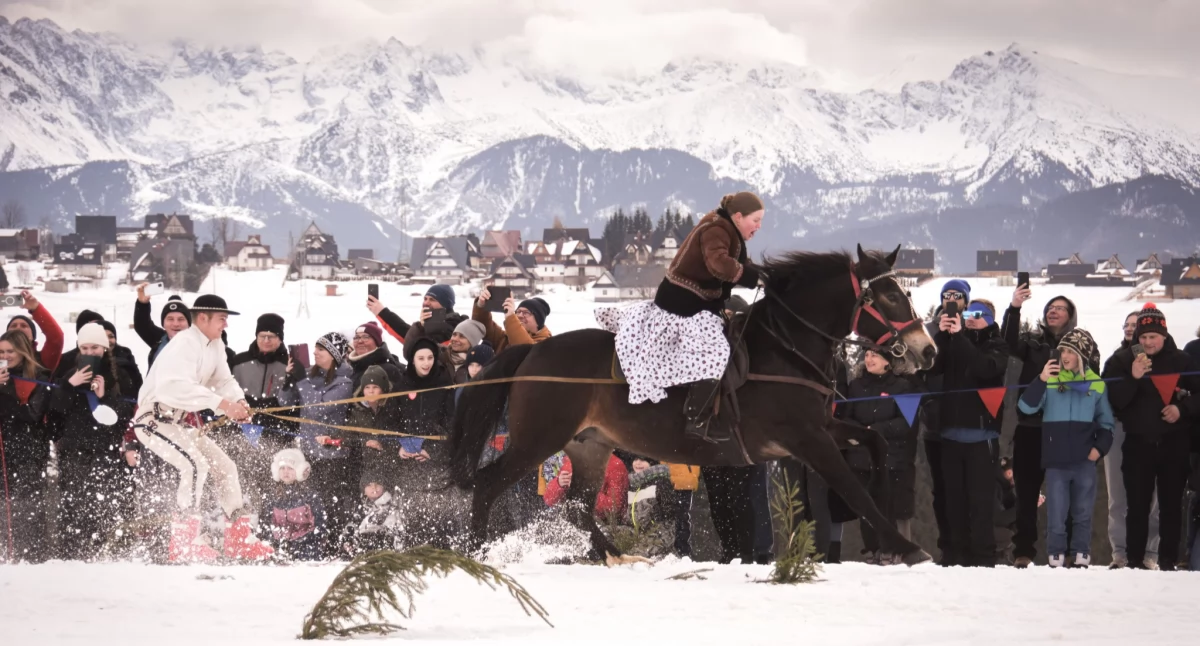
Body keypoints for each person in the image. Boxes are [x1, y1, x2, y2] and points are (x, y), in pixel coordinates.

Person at [595, 192, 764, 443]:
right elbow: (719, 263)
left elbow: (737, 262)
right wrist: (753, 277)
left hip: (696, 304)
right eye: (756, 220)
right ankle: (697, 419)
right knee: (715, 352)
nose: (758, 227)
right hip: (684, 306)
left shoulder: (728, 230)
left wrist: (762, 274)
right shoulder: (717, 229)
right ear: (738, 216)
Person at [130, 294, 273, 562]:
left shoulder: (215, 344)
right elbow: (174, 388)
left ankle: (238, 538)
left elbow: (224, 380)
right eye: (222, 319)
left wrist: (238, 402)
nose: (225, 324)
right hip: (153, 420)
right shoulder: (183, 344)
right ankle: (184, 541)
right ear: (203, 318)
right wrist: (224, 406)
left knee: (226, 467)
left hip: (179, 422)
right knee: (195, 466)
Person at [1101, 303, 1200, 571]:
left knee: (1169, 505)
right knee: (1137, 504)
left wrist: (1182, 409)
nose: (1147, 342)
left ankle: (1166, 560)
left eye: (1152, 337)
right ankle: (1133, 560)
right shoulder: (1122, 361)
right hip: (1137, 443)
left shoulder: (1182, 361)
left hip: (1174, 443)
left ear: (1164, 336)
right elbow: (1113, 400)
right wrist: (1133, 378)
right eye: (1142, 337)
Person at [1017, 328, 1112, 568]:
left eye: (1071, 351)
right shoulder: (1050, 380)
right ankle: (1055, 555)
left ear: (1082, 356)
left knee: (1082, 512)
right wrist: (1040, 380)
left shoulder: (1097, 385)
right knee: (1056, 514)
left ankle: (1081, 554)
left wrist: (1098, 450)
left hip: (1084, 461)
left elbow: (1106, 423)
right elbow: (1026, 407)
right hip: (1056, 461)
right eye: (1062, 351)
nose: (1065, 356)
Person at [1003, 281, 1082, 568]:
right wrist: (1014, 307)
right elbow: (1008, 342)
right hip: (1030, 428)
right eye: (1050, 308)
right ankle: (1023, 551)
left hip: (1065, 430)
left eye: (1060, 308)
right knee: (1026, 494)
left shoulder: (1082, 347)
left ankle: (1069, 550)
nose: (1053, 312)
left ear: (1071, 316)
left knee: (1068, 495)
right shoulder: (1032, 343)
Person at [928, 299, 1009, 567]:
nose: (971, 317)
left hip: (981, 437)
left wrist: (959, 336)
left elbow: (984, 368)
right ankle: (956, 556)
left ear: (990, 319)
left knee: (981, 502)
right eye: (968, 313)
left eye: (978, 314)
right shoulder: (952, 340)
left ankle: (984, 558)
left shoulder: (996, 344)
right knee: (954, 502)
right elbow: (933, 367)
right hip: (950, 435)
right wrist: (942, 335)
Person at [53, 323, 139, 561]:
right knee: (73, 503)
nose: (90, 352)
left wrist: (105, 397)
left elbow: (125, 415)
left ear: (104, 348)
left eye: (95, 347)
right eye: (85, 347)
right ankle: (70, 555)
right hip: (74, 447)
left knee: (103, 502)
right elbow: (56, 409)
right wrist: (69, 385)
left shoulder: (119, 374)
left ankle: (102, 554)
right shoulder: (68, 373)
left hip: (105, 448)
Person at [842, 348, 925, 559]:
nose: (869, 359)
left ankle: (896, 551)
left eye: (875, 355)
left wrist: (876, 430)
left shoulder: (904, 387)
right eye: (867, 355)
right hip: (861, 458)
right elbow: (845, 418)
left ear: (888, 361)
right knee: (866, 508)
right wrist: (860, 433)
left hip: (893, 459)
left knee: (892, 507)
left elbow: (907, 423)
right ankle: (872, 550)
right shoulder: (856, 386)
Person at [278, 331, 355, 551]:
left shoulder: (344, 382)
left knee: (332, 501)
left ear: (334, 354)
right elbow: (285, 402)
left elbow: (318, 408)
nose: (314, 353)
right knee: (312, 502)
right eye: (314, 348)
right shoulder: (310, 377)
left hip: (333, 454)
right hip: (310, 451)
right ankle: (314, 541)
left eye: (321, 349)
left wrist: (302, 380)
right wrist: (289, 380)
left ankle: (334, 542)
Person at [919, 279, 970, 564]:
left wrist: (959, 333)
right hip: (935, 423)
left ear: (965, 300)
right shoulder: (928, 330)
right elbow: (922, 368)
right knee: (940, 488)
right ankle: (947, 546)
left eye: (957, 295)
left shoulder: (973, 326)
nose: (951, 299)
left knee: (965, 488)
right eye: (947, 295)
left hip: (964, 421)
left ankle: (967, 544)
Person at [1106, 311, 1160, 568]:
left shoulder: (1161, 360)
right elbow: (1111, 398)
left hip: (1151, 431)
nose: (1130, 328)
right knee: (1118, 495)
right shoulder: (1116, 361)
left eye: (1135, 325)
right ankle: (1120, 551)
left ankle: (1151, 551)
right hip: (1118, 428)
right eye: (1126, 324)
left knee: (1152, 497)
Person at [0, 330, 52, 562]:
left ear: (23, 351)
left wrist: (5, 389)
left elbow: (30, 415)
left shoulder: (38, 376)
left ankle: (31, 557)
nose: (6, 356)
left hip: (28, 451)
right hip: (3, 450)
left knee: (27, 508)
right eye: (1, 351)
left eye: (11, 351)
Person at [230, 313, 292, 449]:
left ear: (280, 338)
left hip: (275, 431)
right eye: (262, 336)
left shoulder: (289, 364)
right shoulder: (238, 361)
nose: (266, 340)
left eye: (271, 337)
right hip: (240, 428)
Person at [261, 448, 327, 561]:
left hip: (307, 549)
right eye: (282, 468)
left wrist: (302, 541)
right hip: (279, 548)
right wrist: (274, 543)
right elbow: (266, 524)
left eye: (290, 468)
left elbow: (319, 525)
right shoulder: (271, 496)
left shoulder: (310, 496)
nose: (285, 472)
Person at [543, 452, 629, 521]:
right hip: (571, 522)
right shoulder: (572, 461)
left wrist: (586, 491)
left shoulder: (615, 465)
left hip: (603, 526)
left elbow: (615, 509)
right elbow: (549, 500)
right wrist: (559, 484)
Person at [473, 290, 552, 353]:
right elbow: (482, 327)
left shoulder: (546, 345)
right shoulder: (505, 338)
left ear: (539, 320)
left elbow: (524, 351)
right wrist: (481, 305)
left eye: (526, 313)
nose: (520, 315)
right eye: (518, 311)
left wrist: (511, 317)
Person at [133, 285, 192, 367]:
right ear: (163, 323)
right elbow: (142, 325)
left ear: (189, 323)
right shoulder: (159, 339)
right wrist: (142, 304)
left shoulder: (197, 342)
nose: (175, 324)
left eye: (181, 319)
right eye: (170, 319)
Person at [6, 289, 64, 372]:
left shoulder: (42, 361)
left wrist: (36, 308)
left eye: (24, 326)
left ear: (33, 336)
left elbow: (56, 337)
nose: (18, 328)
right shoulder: (2, 360)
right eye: (13, 326)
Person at [347, 321, 404, 390]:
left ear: (376, 342)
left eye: (365, 337)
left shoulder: (387, 370)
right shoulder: (351, 369)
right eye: (356, 337)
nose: (360, 341)